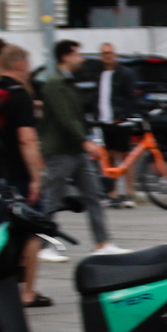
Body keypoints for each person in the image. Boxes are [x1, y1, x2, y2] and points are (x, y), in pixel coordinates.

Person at [35, 38, 123, 257]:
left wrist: (85, 140)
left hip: (75, 150)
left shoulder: (67, 82)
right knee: (52, 198)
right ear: (65, 57)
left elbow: (76, 117)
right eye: (77, 54)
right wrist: (84, 141)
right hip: (60, 151)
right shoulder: (55, 83)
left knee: (93, 194)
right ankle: (41, 247)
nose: (81, 59)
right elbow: (65, 118)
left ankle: (102, 243)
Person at [0, 44, 50, 307]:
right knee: (32, 231)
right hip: (18, 174)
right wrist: (35, 176)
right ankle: (28, 292)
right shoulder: (21, 96)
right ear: (19, 64)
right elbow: (26, 139)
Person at [91, 42, 144, 205]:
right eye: (104, 53)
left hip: (120, 122)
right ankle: (112, 193)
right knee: (109, 158)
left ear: (115, 54)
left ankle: (129, 193)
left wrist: (122, 116)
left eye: (110, 52)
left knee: (125, 157)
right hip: (104, 121)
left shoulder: (124, 74)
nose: (107, 56)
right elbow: (95, 96)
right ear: (101, 56)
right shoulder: (99, 74)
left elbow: (130, 97)